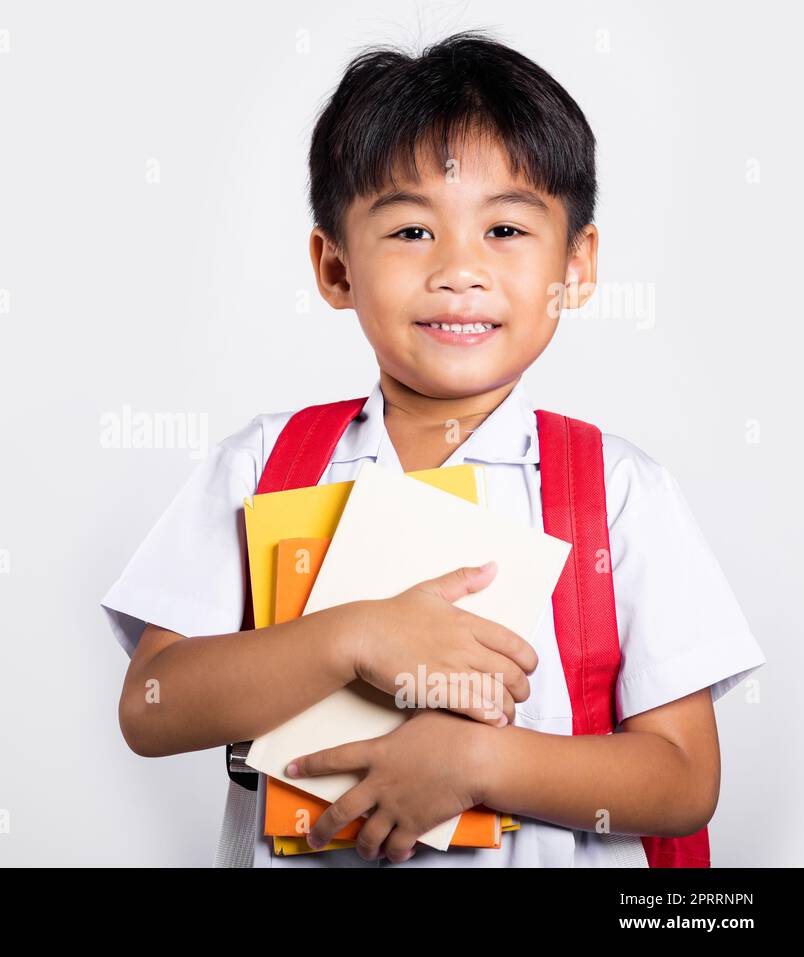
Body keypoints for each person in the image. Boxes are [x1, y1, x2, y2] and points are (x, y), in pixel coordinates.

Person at [99, 30, 766, 867]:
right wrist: (352, 639)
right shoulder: (263, 465)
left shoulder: (617, 490)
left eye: (507, 230)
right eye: (412, 231)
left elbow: (683, 779)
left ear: (579, 264)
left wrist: (475, 763)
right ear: (335, 267)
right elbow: (152, 707)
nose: (459, 269)